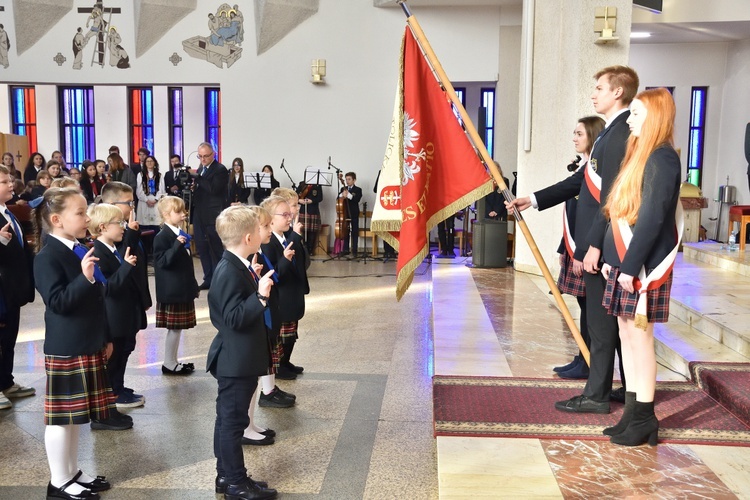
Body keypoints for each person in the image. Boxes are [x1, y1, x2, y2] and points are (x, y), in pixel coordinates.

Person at [507, 65, 638, 414]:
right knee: (603, 323)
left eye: (599, 88)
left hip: (604, 244)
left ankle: (597, 395)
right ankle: (626, 391)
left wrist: (593, 244)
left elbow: (609, 197)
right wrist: (532, 199)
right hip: (602, 242)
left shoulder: (620, 134)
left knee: (599, 323)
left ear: (618, 93)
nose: (594, 93)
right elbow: (579, 183)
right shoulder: (610, 134)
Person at [599, 88, 681, 446]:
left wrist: (630, 268)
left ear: (656, 117)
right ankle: (632, 414)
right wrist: (611, 260)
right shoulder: (640, 156)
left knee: (640, 338)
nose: (630, 119)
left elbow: (651, 219)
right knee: (626, 335)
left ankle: (646, 417)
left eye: (636, 113)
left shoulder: (663, 158)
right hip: (626, 262)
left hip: (644, 266)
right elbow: (620, 211)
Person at [33, 187, 115, 499]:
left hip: (87, 341)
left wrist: (103, 337)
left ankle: (72, 472)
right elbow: (58, 302)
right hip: (66, 345)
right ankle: (58, 483)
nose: (87, 217)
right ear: (56, 219)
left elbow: (97, 299)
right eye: (80, 213)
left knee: (75, 416)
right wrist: (84, 278)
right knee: (60, 419)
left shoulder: (77, 248)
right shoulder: (47, 257)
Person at [206, 205, 278, 500]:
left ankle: (228, 476)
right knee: (232, 422)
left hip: (241, 357)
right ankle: (234, 482)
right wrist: (260, 296)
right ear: (249, 237)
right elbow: (233, 319)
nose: (264, 233)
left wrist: (253, 280)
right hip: (235, 360)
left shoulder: (238, 264)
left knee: (229, 419)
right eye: (260, 230)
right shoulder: (228, 270)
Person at [551, 116, 606, 380]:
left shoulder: (595, 172)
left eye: (579, 133)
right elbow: (571, 211)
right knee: (584, 308)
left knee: (590, 308)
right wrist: (566, 248)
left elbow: (591, 216)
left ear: (592, 137)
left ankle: (588, 360)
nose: (574, 137)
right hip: (573, 248)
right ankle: (582, 354)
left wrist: (580, 252)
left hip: (584, 251)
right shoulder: (583, 168)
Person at [88, 203, 144, 409]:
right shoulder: (98, 252)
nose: (123, 227)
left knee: (124, 352)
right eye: (118, 223)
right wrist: (127, 267)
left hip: (124, 313)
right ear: (102, 227)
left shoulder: (112, 248)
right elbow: (108, 287)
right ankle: (113, 392)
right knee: (115, 356)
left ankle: (119, 386)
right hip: (114, 315)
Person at [0, 165, 36, 411]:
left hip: (11, 287)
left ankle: (6, 381)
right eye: (4, 182)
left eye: (10, 180)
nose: (10, 184)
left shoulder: (7, 211)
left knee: (9, 338)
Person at [258, 195, 300, 403]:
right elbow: (275, 275)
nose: (290, 217)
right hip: (268, 307)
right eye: (265, 226)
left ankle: (270, 388)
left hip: (275, 304)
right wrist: (284, 260)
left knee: (272, 350)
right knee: (269, 351)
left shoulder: (266, 246)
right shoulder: (263, 248)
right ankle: (267, 392)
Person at [153, 196, 199, 375]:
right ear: (166, 215)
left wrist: (193, 285)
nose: (183, 214)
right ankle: (168, 363)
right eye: (178, 211)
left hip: (182, 287)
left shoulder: (179, 233)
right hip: (172, 290)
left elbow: (187, 264)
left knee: (178, 328)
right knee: (173, 328)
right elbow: (163, 262)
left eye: (184, 211)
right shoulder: (162, 236)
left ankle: (173, 361)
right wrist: (176, 246)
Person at [271, 187, 310, 380]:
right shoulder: (276, 238)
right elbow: (279, 267)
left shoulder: (287, 233)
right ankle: (280, 365)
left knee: (291, 331)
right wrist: (295, 235)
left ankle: (285, 362)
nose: (296, 211)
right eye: (293, 206)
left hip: (293, 290)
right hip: (283, 293)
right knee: (283, 333)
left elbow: (302, 260)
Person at [191, 142, 229, 289]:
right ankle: (208, 278)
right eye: (200, 156)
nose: (203, 159)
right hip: (200, 213)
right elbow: (203, 187)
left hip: (213, 214)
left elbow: (214, 189)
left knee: (215, 247)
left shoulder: (220, 169)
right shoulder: (202, 168)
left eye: (206, 156)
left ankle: (220, 279)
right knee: (201, 246)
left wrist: (197, 178)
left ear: (213, 154)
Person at [296, 177, 323, 255]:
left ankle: (310, 250)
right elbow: (296, 195)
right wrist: (299, 200)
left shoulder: (317, 186)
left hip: (313, 210)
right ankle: (304, 249)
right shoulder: (302, 184)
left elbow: (320, 198)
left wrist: (312, 201)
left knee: (312, 231)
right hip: (303, 210)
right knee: (303, 231)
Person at [338, 171, 362, 257]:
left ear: (354, 180)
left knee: (354, 232)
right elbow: (338, 198)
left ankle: (354, 250)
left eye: (349, 179)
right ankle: (345, 249)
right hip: (345, 213)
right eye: (346, 179)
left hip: (354, 213)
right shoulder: (343, 189)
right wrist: (342, 194)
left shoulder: (358, 190)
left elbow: (357, 199)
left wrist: (348, 195)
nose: (347, 181)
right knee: (345, 231)